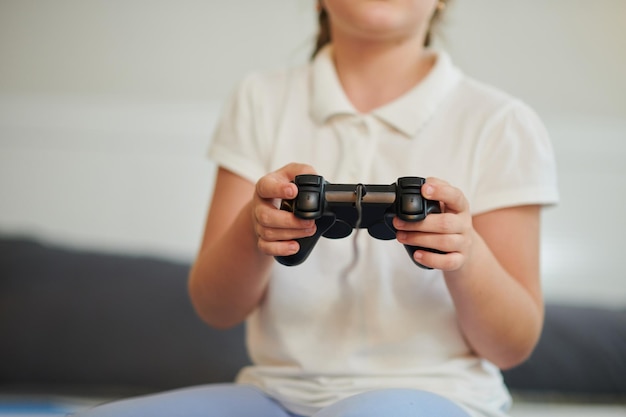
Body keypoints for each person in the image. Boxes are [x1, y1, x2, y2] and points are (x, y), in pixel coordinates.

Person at [75, 0, 558, 416]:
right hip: (278, 395)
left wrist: (465, 255)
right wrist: (253, 229)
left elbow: (511, 345)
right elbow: (215, 307)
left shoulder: (500, 123)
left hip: (438, 394)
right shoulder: (261, 100)